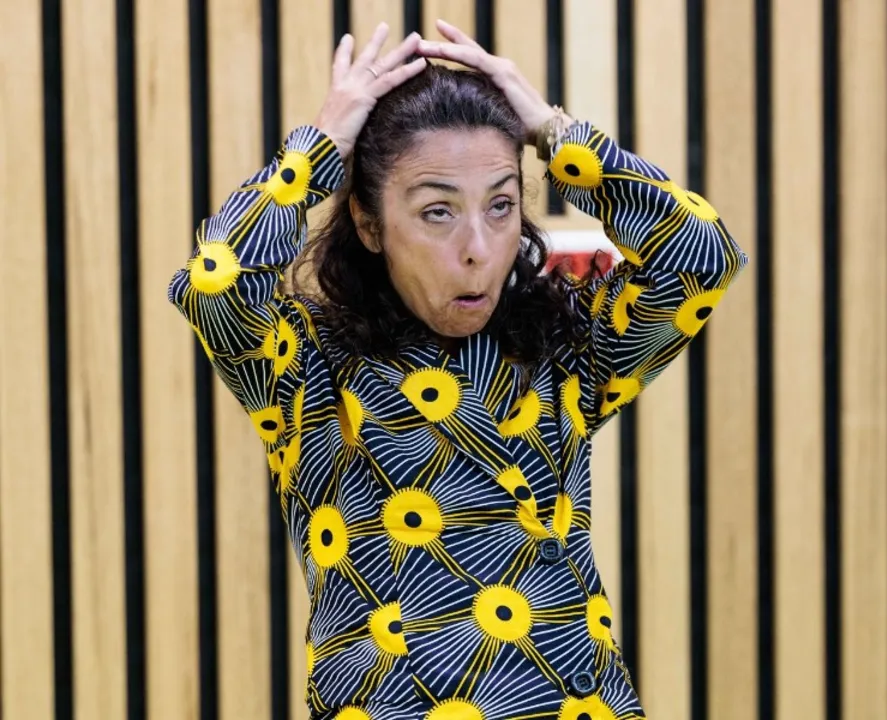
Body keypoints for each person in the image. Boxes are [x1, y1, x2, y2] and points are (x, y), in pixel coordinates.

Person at [169, 19, 746, 720]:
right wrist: (318, 150)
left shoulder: (563, 349)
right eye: (437, 212)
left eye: (501, 206)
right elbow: (215, 283)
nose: (478, 247)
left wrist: (556, 134)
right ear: (370, 224)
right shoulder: (308, 369)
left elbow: (702, 258)